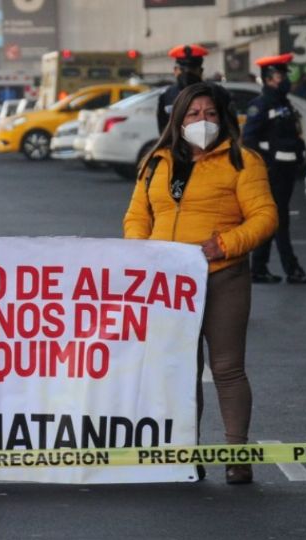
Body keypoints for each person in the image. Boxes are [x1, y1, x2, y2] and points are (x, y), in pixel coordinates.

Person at [125, 83, 278, 484]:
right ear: (177, 120)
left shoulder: (243, 162)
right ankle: (185, 455)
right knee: (178, 371)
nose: (202, 122)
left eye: (210, 114)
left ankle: (236, 453)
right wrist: (138, 253)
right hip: (168, 284)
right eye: (193, 115)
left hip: (222, 275)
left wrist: (224, 245)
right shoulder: (155, 163)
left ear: (224, 118)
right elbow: (138, 216)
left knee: (227, 369)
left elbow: (265, 217)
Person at [243, 53, 306, 284]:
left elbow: (292, 134)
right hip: (272, 172)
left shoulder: (285, 105)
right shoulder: (260, 105)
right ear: (268, 79)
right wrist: (266, 163)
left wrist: (301, 152)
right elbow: (249, 139)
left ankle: (259, 268)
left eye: (284, 75)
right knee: (279, 219)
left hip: (287, 170)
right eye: (279, 75)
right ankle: (291, 268)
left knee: (274, 218)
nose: (284, 80)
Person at [157, 44, 207, 134]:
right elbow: (163, 127)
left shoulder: (214, 94)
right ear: (175, 70)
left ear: (200, 71)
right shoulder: (166, 96)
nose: (187, 73)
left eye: (192, 69)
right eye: (183, 69)